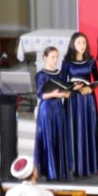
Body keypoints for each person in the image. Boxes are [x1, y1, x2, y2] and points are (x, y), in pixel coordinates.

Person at [62, 32, 98, 177]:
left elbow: (97, 79)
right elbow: (62, 81)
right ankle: (74, 165)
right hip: (73, 99)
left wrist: (90, 88)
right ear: (73, 44)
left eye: (84, 43)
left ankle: (90, 164)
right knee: (73, 128)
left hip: (87, 98)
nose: (82, 45)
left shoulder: (90, 61)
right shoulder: (67, 61)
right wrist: (73, 87)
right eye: (79, 43)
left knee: (88, 128)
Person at [34, 46, 72, 180]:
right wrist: (54, 94)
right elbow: (40, 94)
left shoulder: (60, 73)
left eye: (57, 57)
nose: (55, 60)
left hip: (58, 108)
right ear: (45, 57)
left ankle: (60, 170)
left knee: (59, 137)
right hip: (47, 109)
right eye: (52, 57)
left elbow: (66, 90)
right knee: (48, 138)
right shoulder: (41, 75)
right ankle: (50, 171)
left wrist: (67, 93)